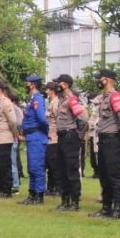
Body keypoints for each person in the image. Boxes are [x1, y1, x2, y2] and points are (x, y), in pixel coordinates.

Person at [89, 69, 120, 219]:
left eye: (100, 78)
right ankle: (106, 207)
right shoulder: (104, 98)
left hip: (113, 140)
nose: (98, 81)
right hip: (103, 140)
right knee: (104, 175)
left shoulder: (115, 97)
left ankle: (118, 208)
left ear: (106, 80)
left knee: (114, 175)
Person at [52, 74, 88, 212]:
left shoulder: (72, 100)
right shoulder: (61, 100)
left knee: (71, 170)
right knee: (61, 169)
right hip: (61, 136)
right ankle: (65, 200)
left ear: (66, 84)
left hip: (70, 136)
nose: (57, 85)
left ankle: (74, 202)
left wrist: (78, 135)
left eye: (58, 83)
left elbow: (83, 118)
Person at [21, 75, 49, 205]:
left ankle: (39, 195)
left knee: (37, 166)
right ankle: (32, 194)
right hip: (31, 136)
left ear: (32, 84)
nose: (25, 85)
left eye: (27, 83)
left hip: (37, 135)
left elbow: (42, 119)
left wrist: (44, 131)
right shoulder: (32, 98)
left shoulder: (37, 98)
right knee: (31, 167)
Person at [0, 81, 19, 199]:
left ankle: (6, 190)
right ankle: (0, 188)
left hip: (3, 138)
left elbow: (13, 121)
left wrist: (15, 134)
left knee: (4, 165)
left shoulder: (6, 103)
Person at [44, 82, 62, 199]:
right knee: (49, 164)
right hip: (49, 137)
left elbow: (58, 121)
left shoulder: (56, 103)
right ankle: (50, 187)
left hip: (55, 138)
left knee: (55, 165)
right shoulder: (50, 102)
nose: (46, 92)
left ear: (52, 90)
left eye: (47, 89)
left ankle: (58, 188)